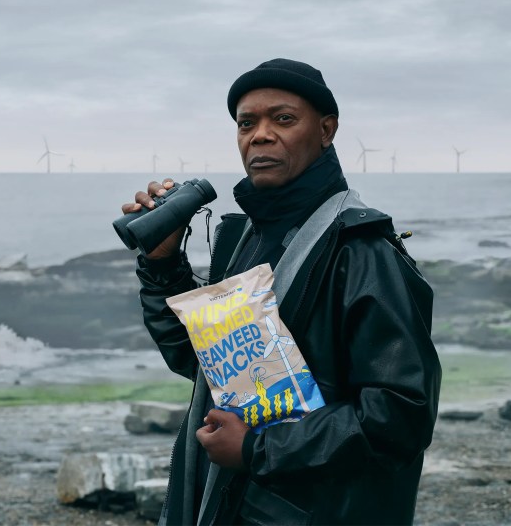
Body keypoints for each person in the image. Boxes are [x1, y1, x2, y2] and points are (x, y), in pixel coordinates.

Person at [122, 59, 441, 525]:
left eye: (284, 119)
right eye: (246, 123)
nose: (260, 135)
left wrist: (256, 448)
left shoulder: (362, 252)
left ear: (327, 130)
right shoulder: (245, 238)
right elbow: (208, 366)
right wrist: (162, 262)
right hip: (235, 502)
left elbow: (400, 417)